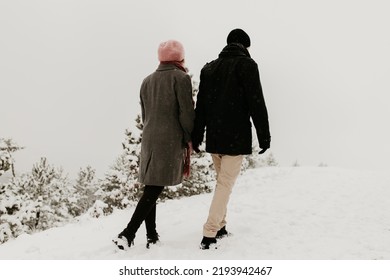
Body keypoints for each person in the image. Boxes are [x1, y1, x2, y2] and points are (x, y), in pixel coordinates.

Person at [192, 29, 271, 249]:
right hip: (235, 138)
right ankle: (209, 233)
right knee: (225, 184)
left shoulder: (209, 68)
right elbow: (257, 103)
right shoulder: (247, 65)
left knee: (221, 183)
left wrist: (197, 136)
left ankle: (221, 225)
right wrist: (264, 137)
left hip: (215, 137)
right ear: (245, 46)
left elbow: (202, 107)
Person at [113, 40, 195, 250]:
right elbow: (186, 113)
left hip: (149, 138)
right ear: (180, 58)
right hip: (169, 139)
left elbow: (145, 114)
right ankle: (128, 233)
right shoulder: (181, 78)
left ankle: (151, 235)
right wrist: (189, 137)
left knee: (152, 184)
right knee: (154, 187)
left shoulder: (147, 81)